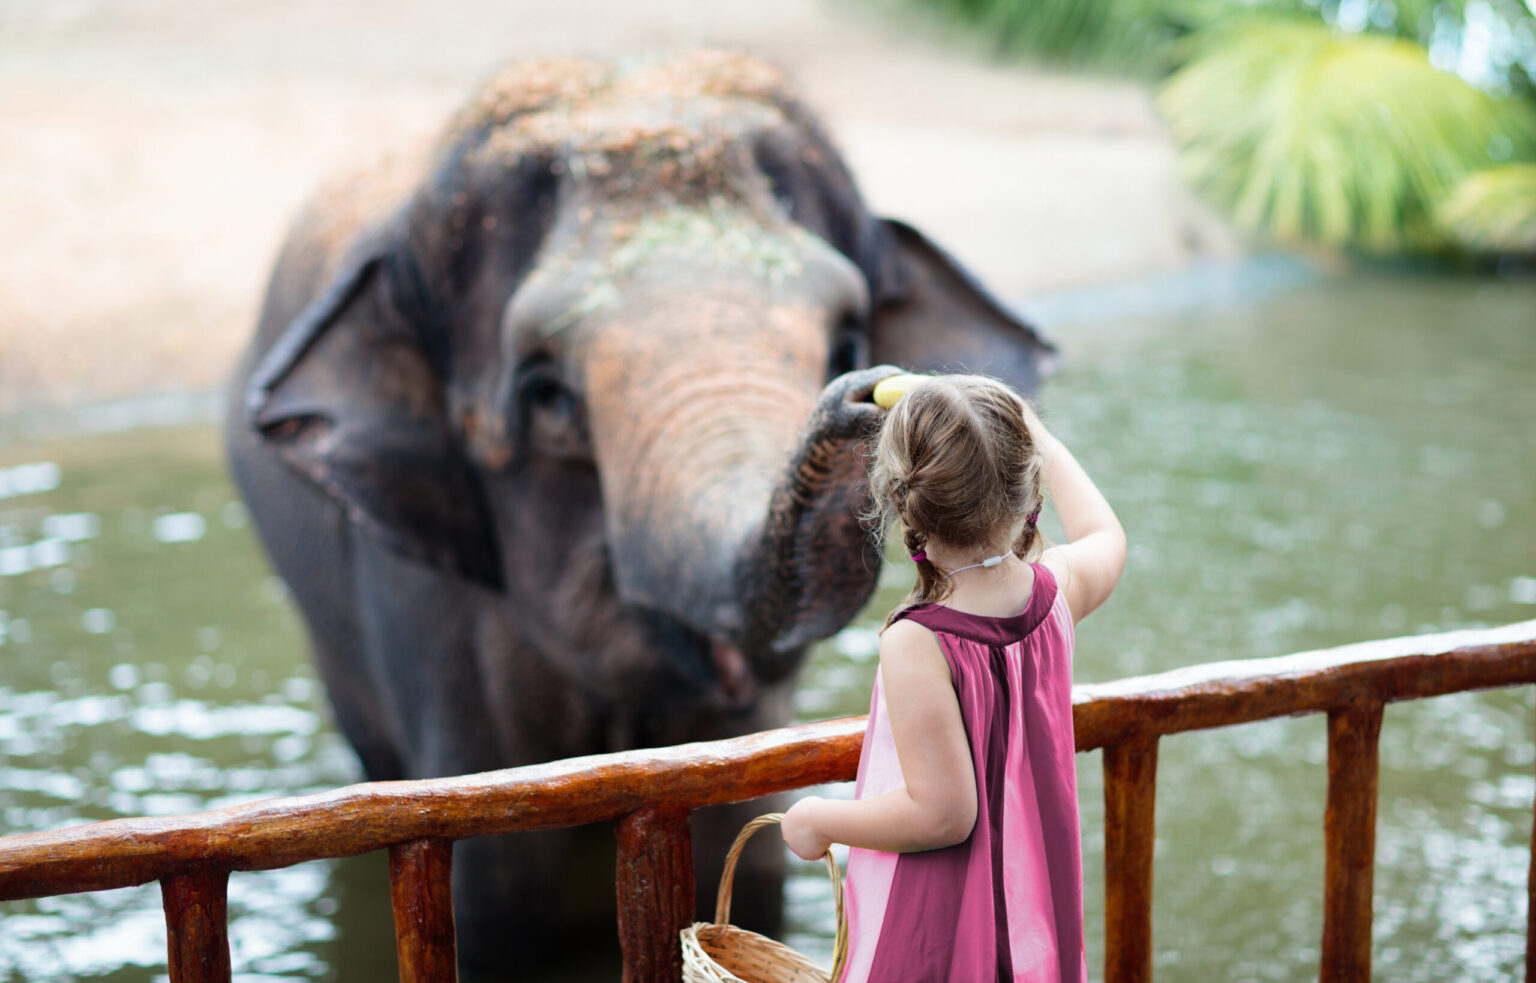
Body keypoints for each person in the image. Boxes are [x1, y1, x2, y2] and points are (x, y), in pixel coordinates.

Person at [780, 373, 1126, 982]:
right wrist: (1032, 426)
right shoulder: (1055, 592)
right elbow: (1106, 534)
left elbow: (943, 814)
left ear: (899, 498)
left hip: (938, 933)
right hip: (1028, 912)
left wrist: (817, 820)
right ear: (1027, 487)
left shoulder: (917, 640)